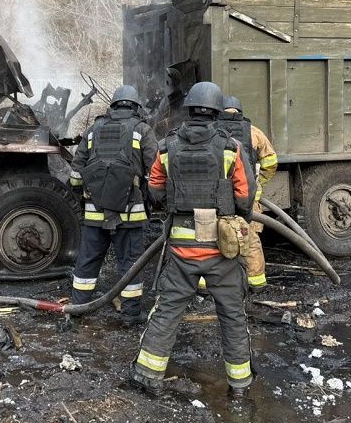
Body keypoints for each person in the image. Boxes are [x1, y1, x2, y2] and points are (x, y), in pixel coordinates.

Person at [130, 81, 257, 397]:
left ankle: (148, 375)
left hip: (181, 249)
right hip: (221, 251)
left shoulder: (166, 147)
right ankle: (239, 384)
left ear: (189, 109)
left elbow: (155, 190)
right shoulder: (231, 148)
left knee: (168, 311)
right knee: (232, 316)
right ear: (215, 110)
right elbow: (245, 195)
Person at [69, 85, 157, 326]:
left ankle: (79, 308)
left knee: (87, 260)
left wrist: (87, 192)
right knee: (130, 264)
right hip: (129, 213)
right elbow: (156, 171)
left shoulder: (93, 130)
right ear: (136, 107)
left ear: (113, 105)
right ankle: (130, 314)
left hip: (94, 212)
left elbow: (76, 174)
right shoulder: (141, 130)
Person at [217, 95, 278, 292]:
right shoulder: (253, 132)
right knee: (250, 239)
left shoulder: (213, 132)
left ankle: (210, 284)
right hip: (247, 197)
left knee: (216, 238)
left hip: (219, 199)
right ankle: (256, 283)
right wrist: (258, 184)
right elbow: (270, 161)